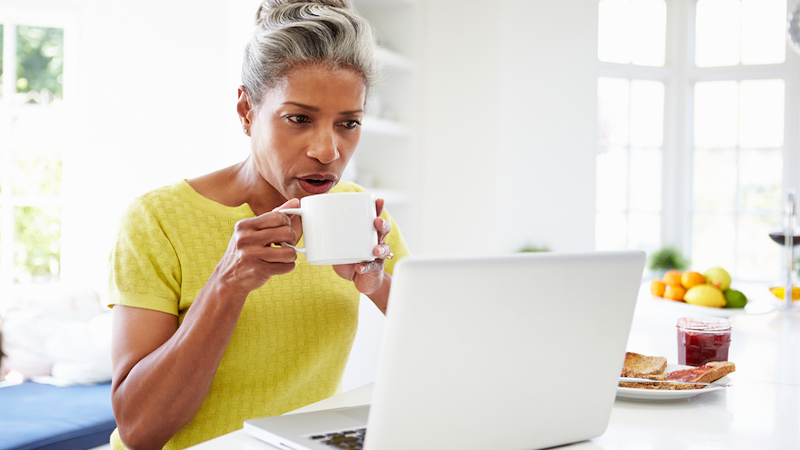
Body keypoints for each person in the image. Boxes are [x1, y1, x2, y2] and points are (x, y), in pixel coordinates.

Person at [106, 1, 410, 448]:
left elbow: (451, 357)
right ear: (247, 110)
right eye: (299, 119)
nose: (328, 150)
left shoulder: (361, 218)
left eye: (349, 123)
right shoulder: (157, 220)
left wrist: (376, 285)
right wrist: (226, 286)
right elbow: (139, 429)